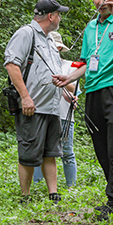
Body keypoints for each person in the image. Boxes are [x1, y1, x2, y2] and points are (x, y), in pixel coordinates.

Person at [53, 0, 113, 221]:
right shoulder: (91, 27)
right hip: (93, 90)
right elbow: (84, 62)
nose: (100, 1)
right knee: (100, 146)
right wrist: (68, 77)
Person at [4, 0, 69, 204]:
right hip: (33, 106)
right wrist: (25, 97)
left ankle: (53, 194)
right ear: (51, 16)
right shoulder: (26, 33)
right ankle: (25, 196)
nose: (59, 18)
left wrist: (67, 93)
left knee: (51, 152)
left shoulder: (50, 39)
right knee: (28, 152)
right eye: (58, 14)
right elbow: (12, 65)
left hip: (52, 107)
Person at [32, 31, 78, 188]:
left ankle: (71, 187)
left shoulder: (70, 66)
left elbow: (74, 90)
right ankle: (38, 185)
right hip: (43, 113)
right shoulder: (38, 64)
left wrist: (62, 79)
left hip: (65, 115)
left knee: (67, 153)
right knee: (40, 151)